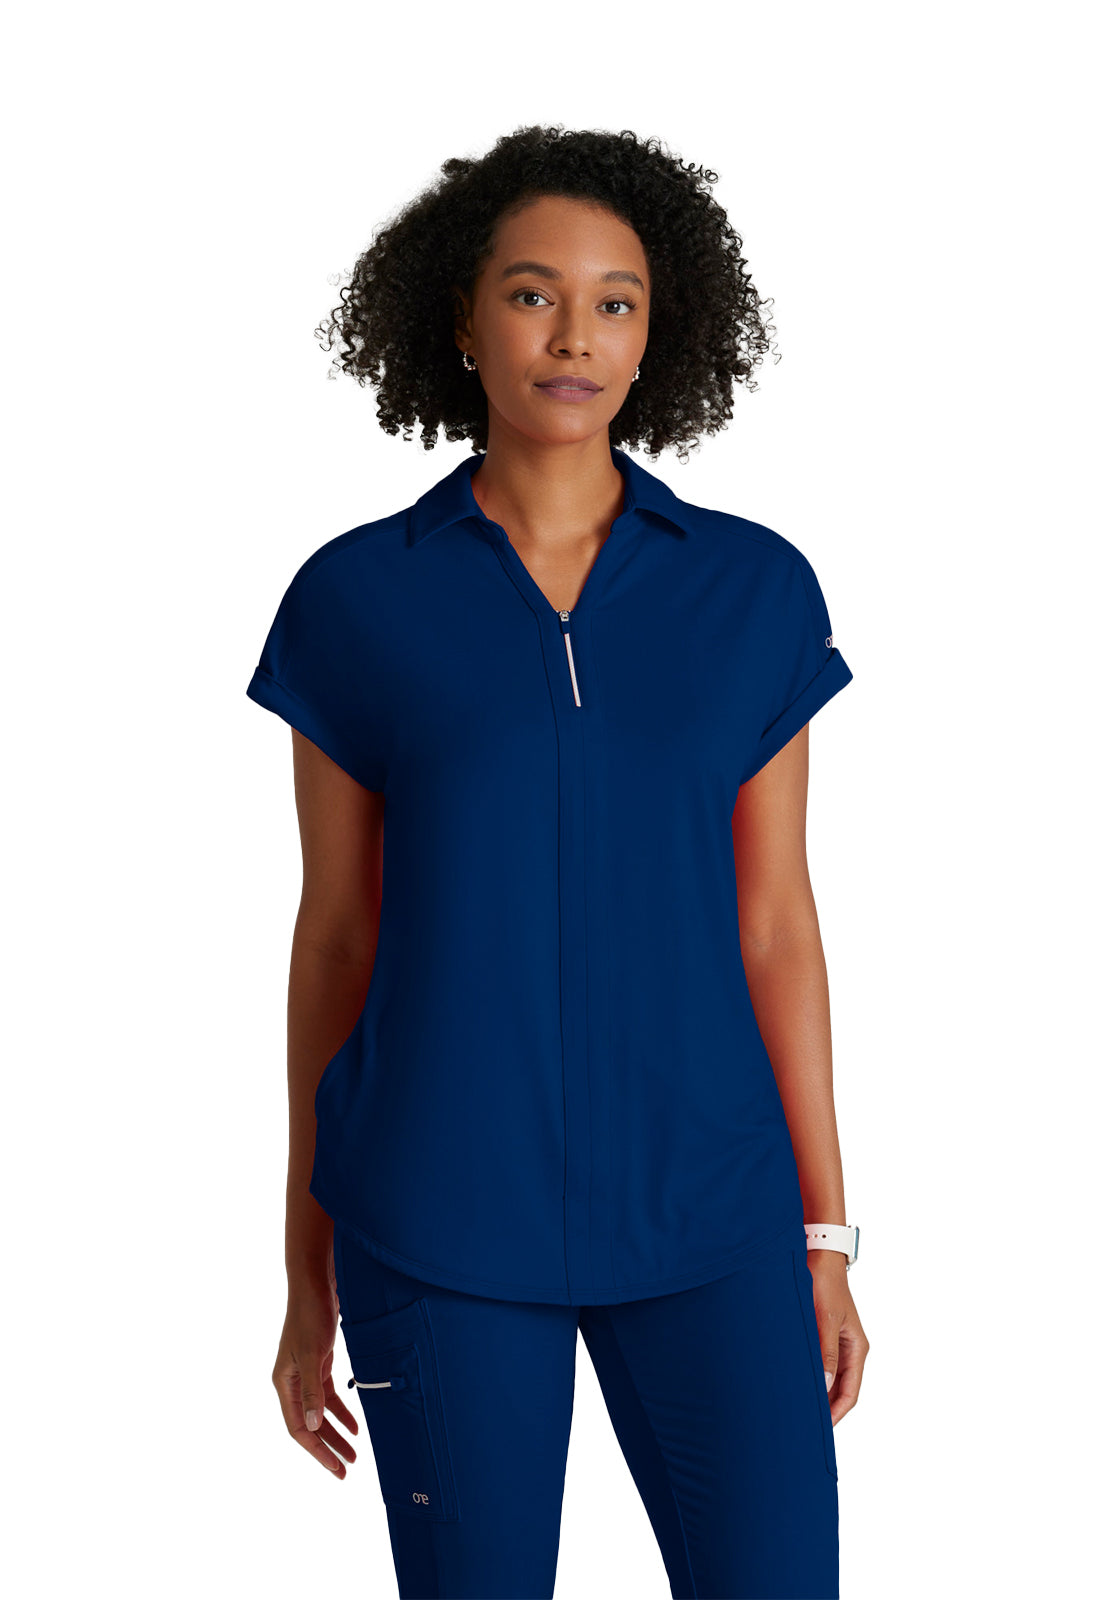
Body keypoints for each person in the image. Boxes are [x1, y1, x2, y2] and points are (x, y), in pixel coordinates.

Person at [246, 123, 869, 1600]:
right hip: (434, 1216)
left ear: (657, 337)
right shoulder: (356, 599)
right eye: (532, 294)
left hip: (714, 1213)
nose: (573, 335)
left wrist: (827, 1235)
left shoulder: (752, 591)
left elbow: (776, 926)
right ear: (463, 321)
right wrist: (304, 1262)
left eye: (615, 301)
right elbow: (338, 937)